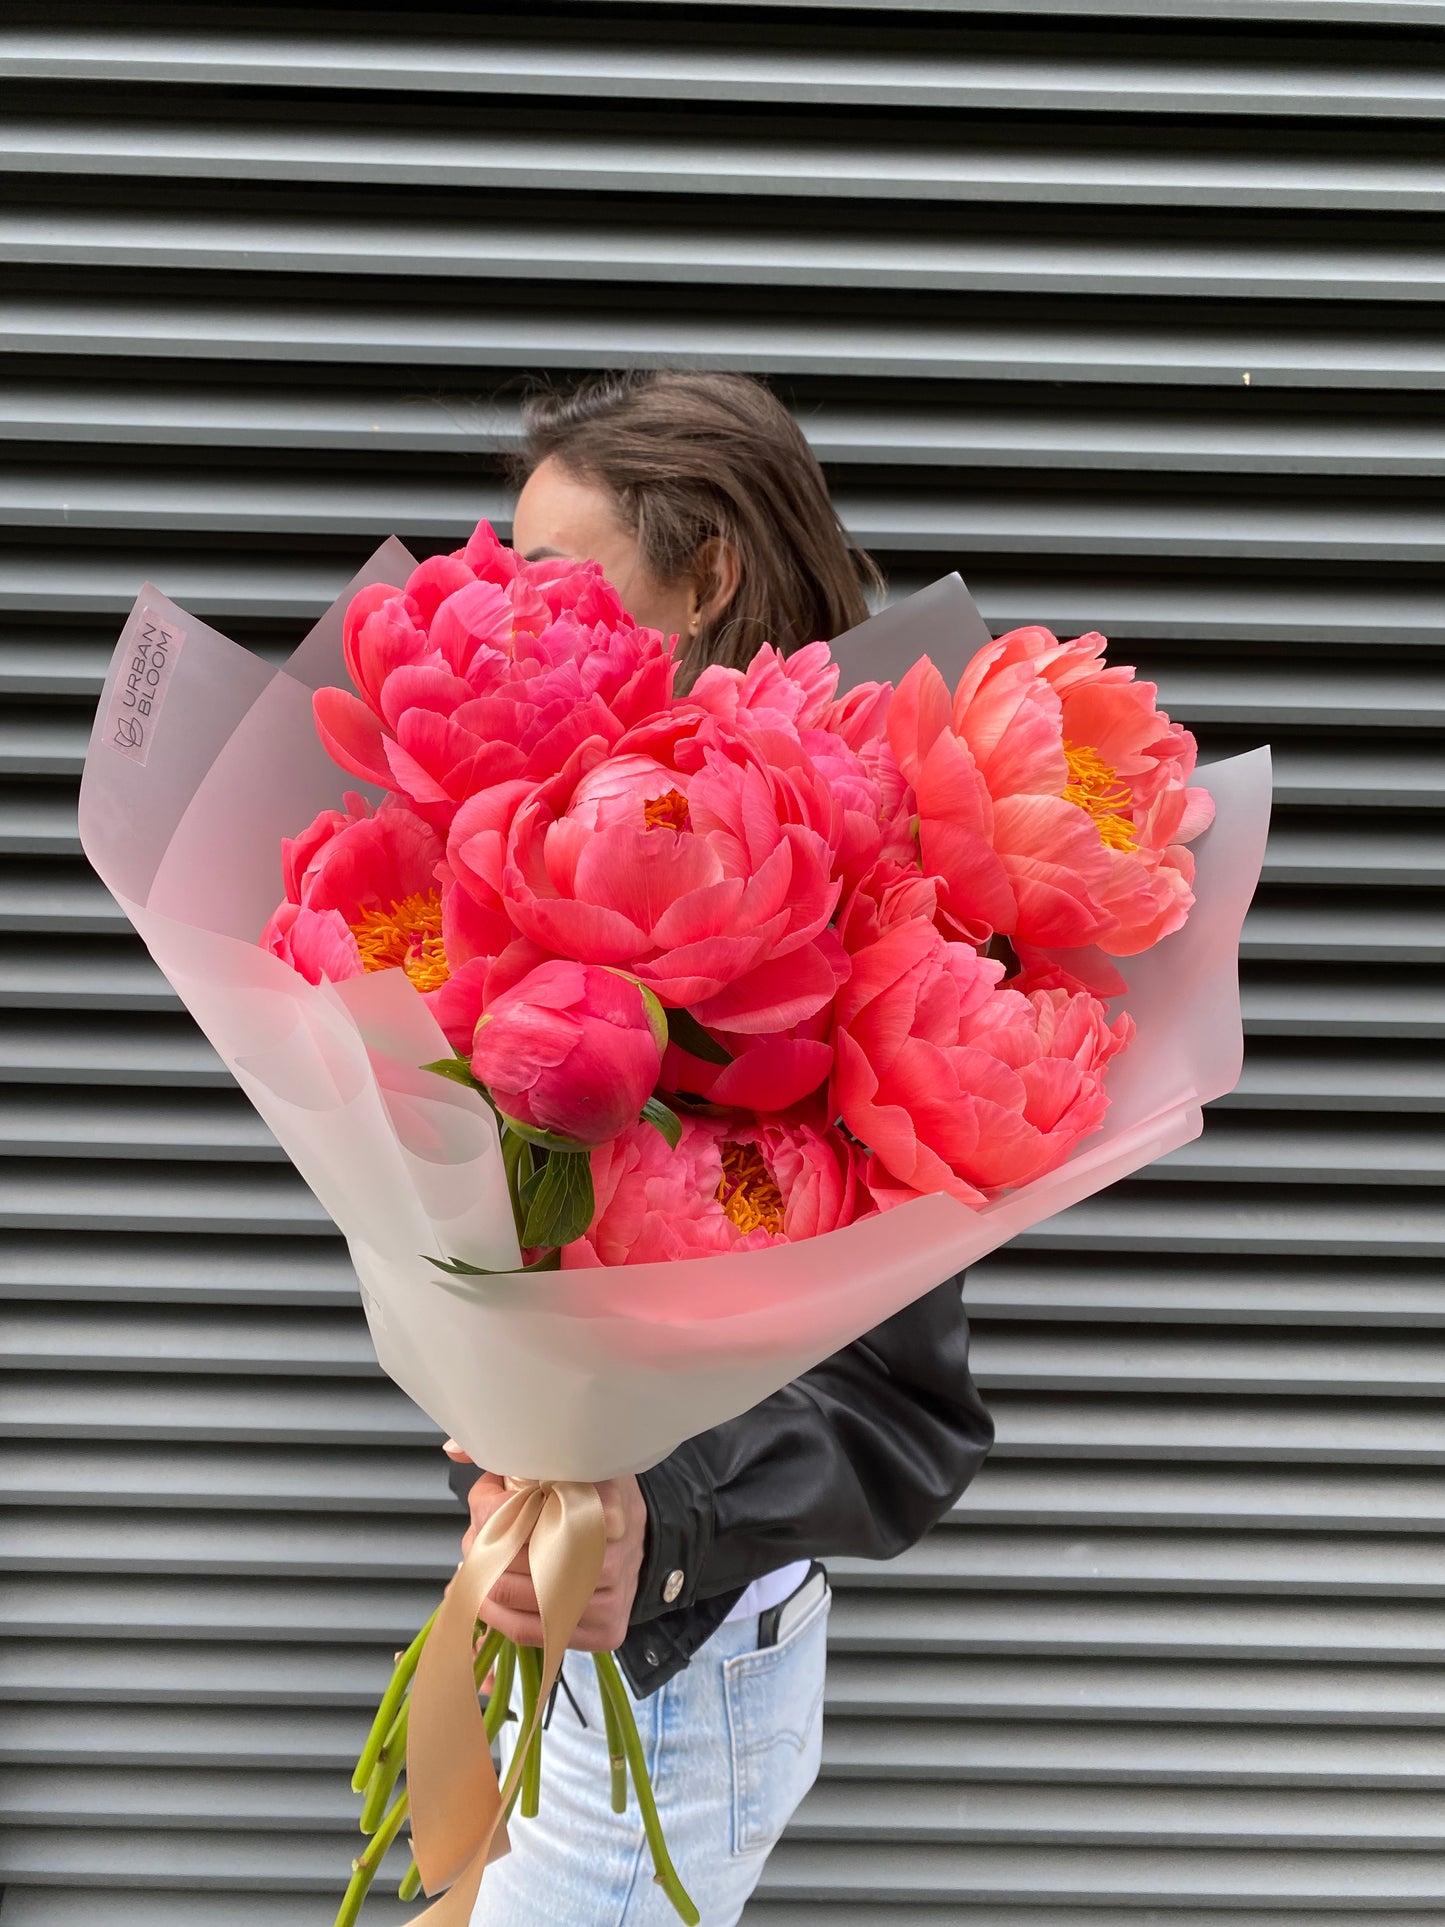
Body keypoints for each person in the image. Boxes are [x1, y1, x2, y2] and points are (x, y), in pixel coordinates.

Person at [445, 370, 995, 1926]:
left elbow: (904, 1416)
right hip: (555, 1633)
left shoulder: (863, 914)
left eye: (561, 591)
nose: (517, 634)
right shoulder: (551, 841)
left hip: (673, 1685)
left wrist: (657, 1514)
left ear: (707, 578)